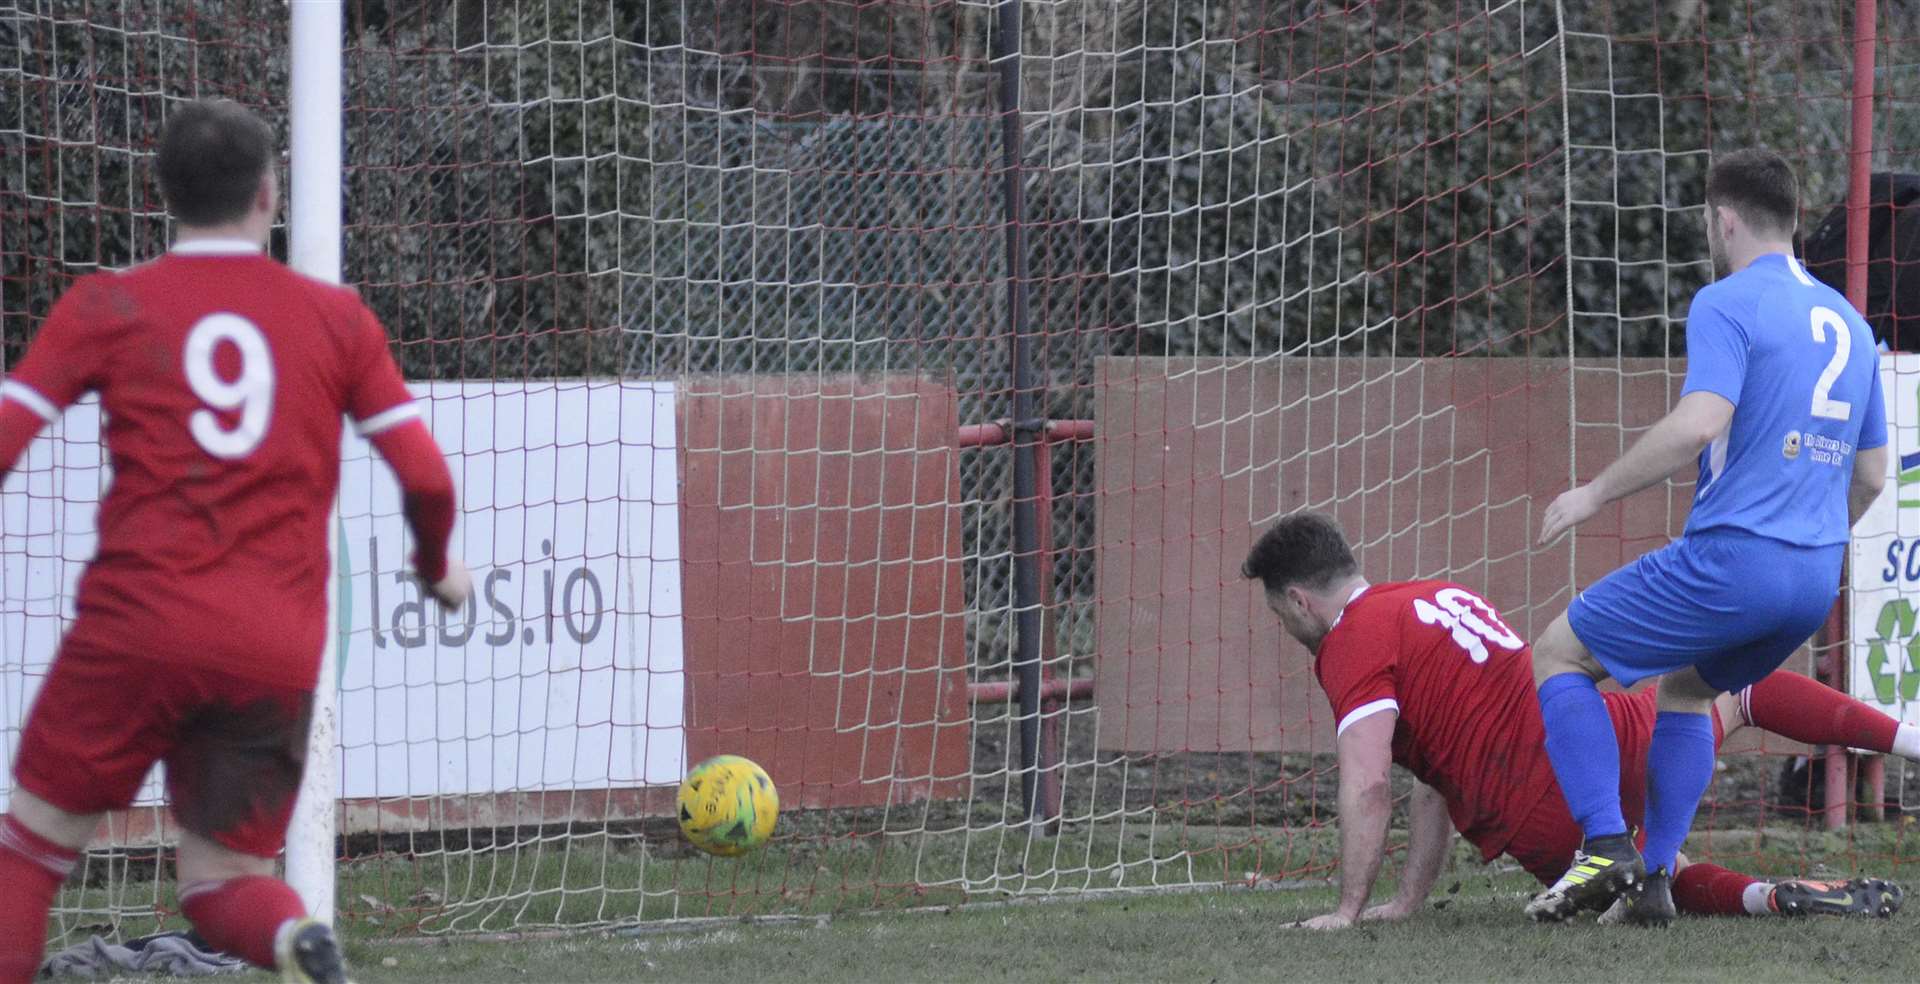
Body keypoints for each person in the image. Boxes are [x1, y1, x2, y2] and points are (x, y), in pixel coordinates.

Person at [0, 100, 470, 984]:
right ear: (267, 194)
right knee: (223, 880)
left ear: (164, 193)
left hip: (136, 628)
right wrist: (435, 562)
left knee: (29, 850)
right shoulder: (337, 318)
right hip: (272, 649)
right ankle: (296, 941)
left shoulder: (106, 303)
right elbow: (427, 477)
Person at [1527, 148, 1889, 926]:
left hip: (1734, 560)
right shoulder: (1854, 328)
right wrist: (1810, 544)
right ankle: (1655, 882)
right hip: (1812, 578)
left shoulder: (1726, 302)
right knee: (1689, 691)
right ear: (1792, 221)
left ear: (1723, 220)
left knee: (1558, 652)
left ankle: (1602, 846)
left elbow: (1698, 425)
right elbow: (1871, 477)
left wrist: (1591, 493)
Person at [1242, 512, 1905, 931]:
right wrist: (1410, 899)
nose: (1288, 627)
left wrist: (1346, 910)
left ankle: (1763, 896)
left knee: (1663, 872)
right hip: (1610, 738)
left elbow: (1367, 783)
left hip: (1546, 817)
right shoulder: (1438, 597)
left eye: (1280, 616)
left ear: (1298, 600)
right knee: (1738, 691)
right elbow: (1431, 781)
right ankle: (1906, 742)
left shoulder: (1350, 642)